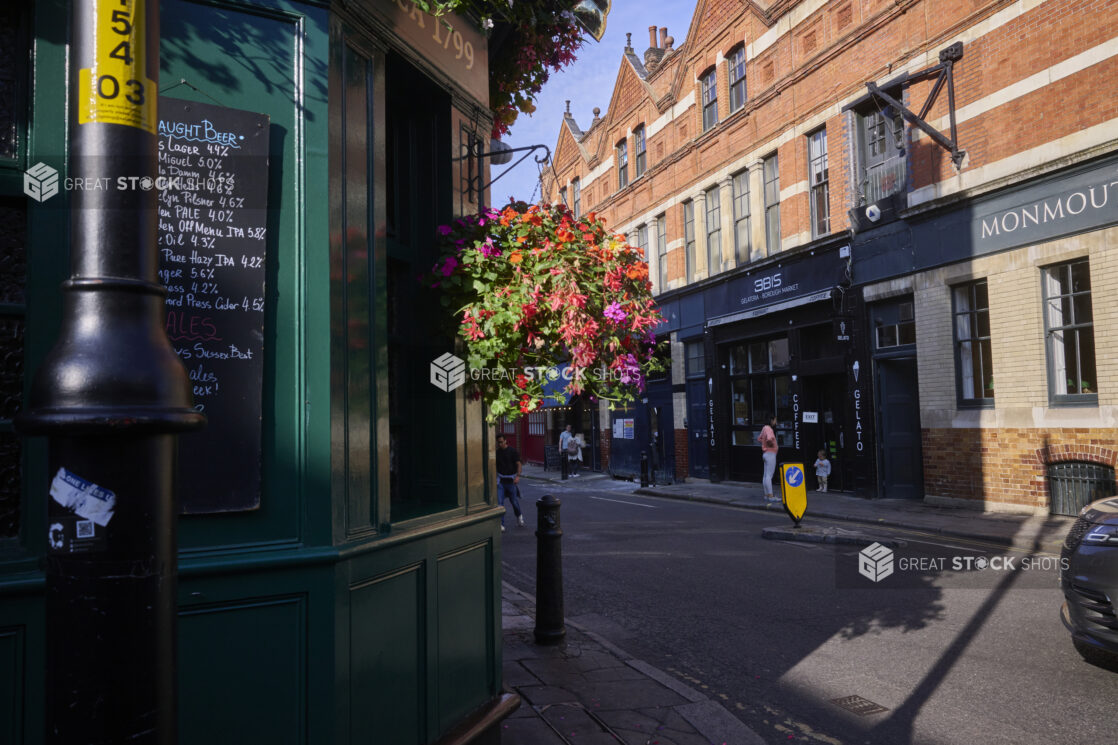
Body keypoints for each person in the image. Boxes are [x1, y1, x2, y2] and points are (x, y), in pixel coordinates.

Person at [495, 435, 524, 532]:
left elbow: (519, 464)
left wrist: (518, 476)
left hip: (511, 480)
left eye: (501, 442)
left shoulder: (512, 451)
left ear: (505, 441)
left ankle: (519, 515)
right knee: (500, 503)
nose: (500, 444)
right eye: (498, 442)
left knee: (514, 502)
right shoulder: (497, 453)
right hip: (501, 481)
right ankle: (501, 524)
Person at [758, 413, 779, 502]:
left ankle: (767, 495)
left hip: (765, 454)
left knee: (766, 475)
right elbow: (770, 439)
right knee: (769, 476)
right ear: (771, 420)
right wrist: (771, 445)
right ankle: (770, 496)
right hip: (770, 454)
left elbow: (759, 439)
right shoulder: (769, 429)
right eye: (775, 420)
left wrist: (765, 445)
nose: (776, 422)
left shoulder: (764, 428)